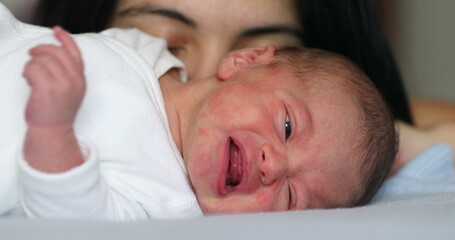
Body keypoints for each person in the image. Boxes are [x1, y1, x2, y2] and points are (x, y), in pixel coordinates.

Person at [0, 4, 397, 219]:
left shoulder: (165, 200)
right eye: (288, 126)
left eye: (291, 196)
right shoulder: (146, 51)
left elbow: (75, 219)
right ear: (244, 61)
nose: (272, 165)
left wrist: (52, 132)